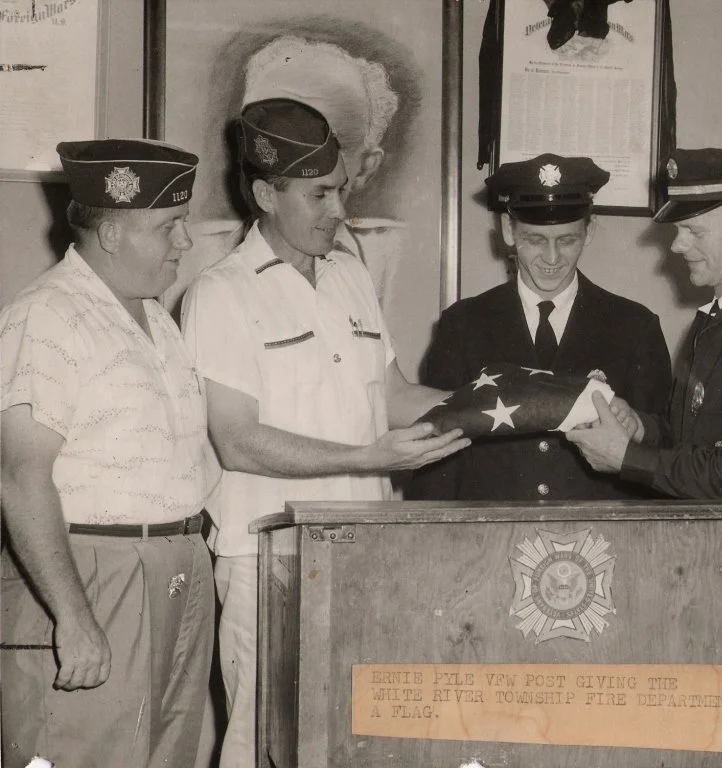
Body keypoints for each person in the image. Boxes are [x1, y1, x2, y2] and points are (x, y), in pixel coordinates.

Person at [179, 97, 469, 768]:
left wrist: (495, 403)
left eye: (340, 190)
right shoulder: (221, 294)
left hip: (358, 556)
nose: (338, 210)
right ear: (264, 194)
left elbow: (393, 397)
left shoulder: (350, 276)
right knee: (264, 742)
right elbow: (236, 439)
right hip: (267, 563)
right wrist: (369, 458)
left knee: (348, 738)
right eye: (318, 194)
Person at [0, 139, 218, 767]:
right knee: (80, 753)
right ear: (114, 232)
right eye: (168, 226)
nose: (185, 242)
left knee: (162, 755)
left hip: (177, 564)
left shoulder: (155, 319)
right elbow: (20, 476)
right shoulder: (46, 317)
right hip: (94, 572)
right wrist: (72, 615)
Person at [408, 153, 672, 501]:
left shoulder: (635, 327)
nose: (551, 258)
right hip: (492, 539)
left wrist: (637, 425)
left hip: (596, 543)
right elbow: (436, 452)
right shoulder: (463, 325)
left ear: (588, 231)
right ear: (507, 230)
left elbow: (667, 440)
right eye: (535, 240)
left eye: (567, 240)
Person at [566, 147, 722, 500]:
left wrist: (629, 458)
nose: (678, 245)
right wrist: (641, 429)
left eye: (694, 231)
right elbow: (690, 438)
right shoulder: (715, 318)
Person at [160, 32, 413, 314]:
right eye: (265, 126)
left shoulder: (394, 266)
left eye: (325, 140)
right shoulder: (187, 264)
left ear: (366, 166)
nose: (285, 149)